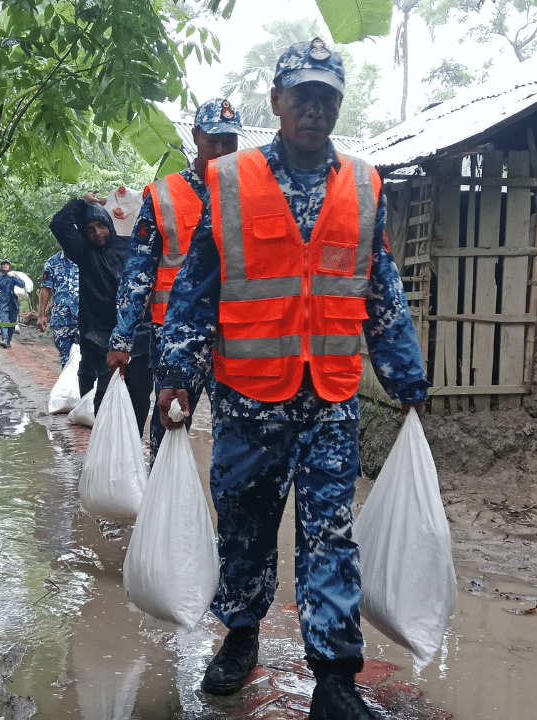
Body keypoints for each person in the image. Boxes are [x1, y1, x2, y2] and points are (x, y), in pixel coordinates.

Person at [155, 38, 429, 720]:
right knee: (244, 528)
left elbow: (380, 289)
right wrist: (178, 376)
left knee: (331, 535)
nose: (314, 108)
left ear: (339, 103)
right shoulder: (229, 181)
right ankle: (241, 638)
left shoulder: (365, 185)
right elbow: (195, 288)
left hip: (331, 398)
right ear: (276, 102)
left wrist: (406, 379)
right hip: (249, 399)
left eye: (327, 97)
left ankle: (335, 678)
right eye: (301, 95)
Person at [107, 97, 244, 459]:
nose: (221, 150)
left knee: (237, 432)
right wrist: (122, 338)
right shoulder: (163, 195)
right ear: (196, 136)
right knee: (169, 421)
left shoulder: (250, 193)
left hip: (237, 335)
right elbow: (137, 272)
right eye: (213, 140)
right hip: (175, 336)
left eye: (229, 142)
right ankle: (157, 503)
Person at [50, 191, 154, 433]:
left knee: (139, 392)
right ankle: (104, 441)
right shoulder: (84, 253)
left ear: (110, 224)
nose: (97, 233)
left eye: (101, 226)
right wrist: (83, 202)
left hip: (135, 333)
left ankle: (132, 444)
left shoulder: (130, 247)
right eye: (90, 229)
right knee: (106, 390)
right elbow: (59, 224)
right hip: (99, 332)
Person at [38, 250, 80, 366]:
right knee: (66, 360)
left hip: (86, 320)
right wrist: (41, 315)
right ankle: (68, 384)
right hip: (62, 320)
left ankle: (84, 384)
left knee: (87, 362)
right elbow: (46, 288)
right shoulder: (52, 262)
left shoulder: (89, 257)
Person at [0, 259, 25, 348]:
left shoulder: (14, 276)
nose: (5, 266)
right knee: (4, 322)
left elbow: (22, 285)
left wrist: (14, 277)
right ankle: (4, 339)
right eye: (3, 264)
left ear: (9, 266)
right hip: (3, 303)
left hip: (14, 304)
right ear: (1, 267)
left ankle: (8, 341)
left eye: (6, 264)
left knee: (12, 323)